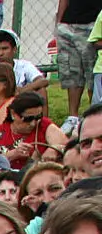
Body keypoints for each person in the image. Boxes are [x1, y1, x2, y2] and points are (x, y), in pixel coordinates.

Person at [0, 91, 68, 171]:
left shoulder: (42, 125)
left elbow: (66, 145)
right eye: (28, 119)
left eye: (38, 117)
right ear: (13, 114)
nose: (33, 123)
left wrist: (54, 149)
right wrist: (13, 154)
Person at [55, 0, 102, 134]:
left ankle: (94, 116)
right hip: (68, 24)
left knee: (92, 73)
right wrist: (60, 22)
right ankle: (73, 117)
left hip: (93, 23)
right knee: (71, 71)